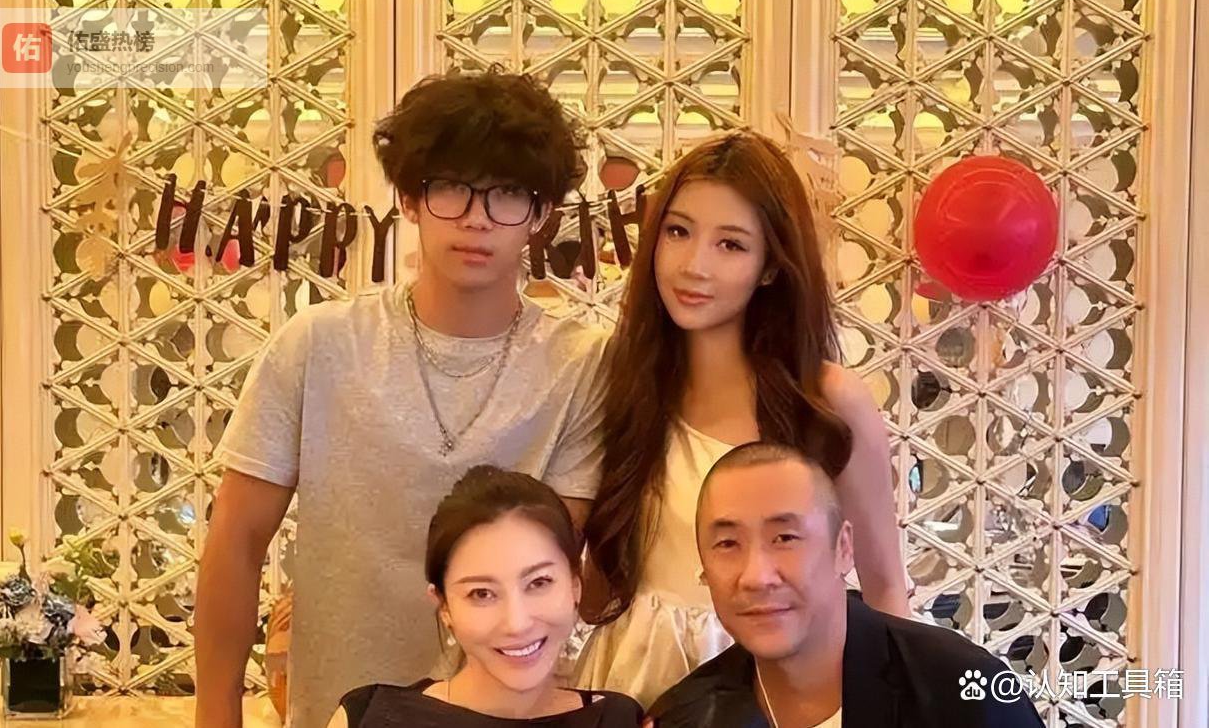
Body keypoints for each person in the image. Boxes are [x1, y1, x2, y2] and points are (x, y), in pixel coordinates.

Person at [194, 69, 608, 728]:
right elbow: (236, 542)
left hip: (511, 716)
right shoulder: (319, 344)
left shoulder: (582, 365)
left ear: (541, 214)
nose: (476, 217)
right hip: (339, 712)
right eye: (451, 188)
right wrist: (216, 716)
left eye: (507, 194)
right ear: (410, 200)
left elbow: (559, 560)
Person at [576, 131, 910, 707]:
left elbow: (885, 589)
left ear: (770, 267)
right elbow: (592, 589)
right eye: (678, 232)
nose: (694, 265)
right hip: (630, 681)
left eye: (730, 244)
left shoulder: (826, 402)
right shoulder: (621, 383)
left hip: (775, 682)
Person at [647, 442, 1045, 727]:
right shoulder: (686, 716)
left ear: (844, 548)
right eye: (727, 544)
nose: (756, 577)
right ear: (704, 567)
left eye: (784, 538)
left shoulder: (960, 689)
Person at [325, 466, 643, 727]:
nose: (516, 623)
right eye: (482, 593)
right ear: (444, 606)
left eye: (539, 582)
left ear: (575, 585)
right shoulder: (369, 717)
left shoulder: (619, 720)